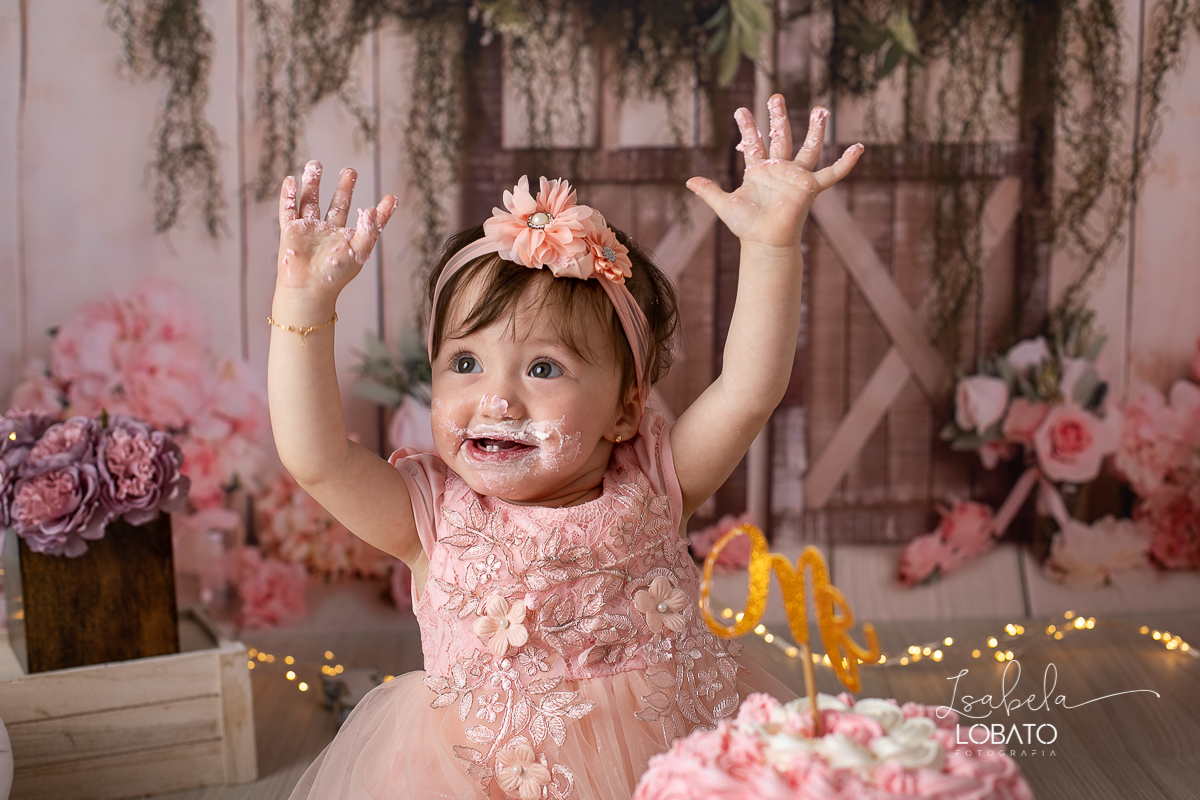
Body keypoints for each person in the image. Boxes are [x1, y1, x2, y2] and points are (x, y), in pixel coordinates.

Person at [269, 95, 862, 799]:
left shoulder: (655, 480)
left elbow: (747, 392)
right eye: (465, 363)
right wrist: (303, 304)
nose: (497, 399)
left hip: (665, 760)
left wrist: (769, 247)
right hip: (481, 776)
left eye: (544, 368)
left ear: (626, 409)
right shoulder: (427, 515)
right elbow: (317, 458)